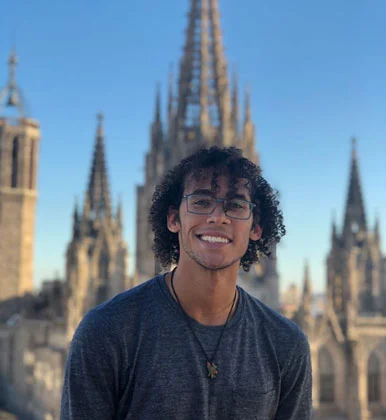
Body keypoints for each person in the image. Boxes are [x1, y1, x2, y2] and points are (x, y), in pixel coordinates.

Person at [60, 146, 312, 419]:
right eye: (202, 202)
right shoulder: (105, 333)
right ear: (172, 219)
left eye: (236, 205)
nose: (218, 216)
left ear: (256, 228)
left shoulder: (287, 344)